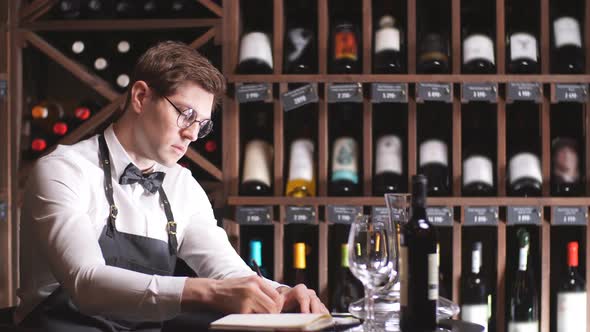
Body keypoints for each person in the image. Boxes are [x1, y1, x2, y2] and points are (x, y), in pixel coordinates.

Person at [15, 41, 328, 331]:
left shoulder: (183, 186)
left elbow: (227, 270)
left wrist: (282, 294)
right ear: (140, 97)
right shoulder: (64, 170)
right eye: (186, 114)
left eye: (201, 124)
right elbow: (86, 283)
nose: (192, 134)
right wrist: (206, 291)